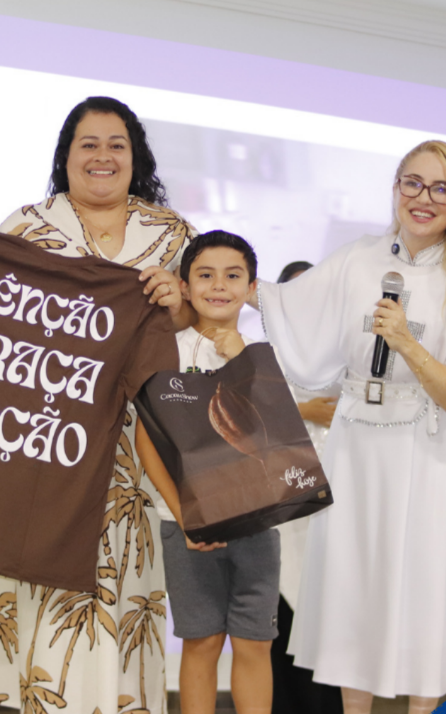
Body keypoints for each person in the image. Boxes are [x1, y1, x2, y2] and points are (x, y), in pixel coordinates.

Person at [0, 96, 194, 714]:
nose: (102, 156)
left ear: (136, 157)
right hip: (39, 450)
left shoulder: (172, 235)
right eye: (88, 144)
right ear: (66, 156)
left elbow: (207, 319)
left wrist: (179, 305)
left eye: (116, 144)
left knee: (120, 598)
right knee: (39, 600)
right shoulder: (26, 228)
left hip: (130, 460)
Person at [253, 140, 446, 714]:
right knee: (355, 587)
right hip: (356, 446)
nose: (424, 198)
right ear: (395, 187)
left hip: (429, 450)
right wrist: (211, 281)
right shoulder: (358, 259)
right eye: (412, 183)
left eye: (441, 188)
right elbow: (286, 305)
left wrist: (406, 342)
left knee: (427, 586)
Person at [134, 229, 280, 714]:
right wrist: (185, 515)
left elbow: (277, 438)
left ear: (251, 287)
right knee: (201, 641)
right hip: (185, 524)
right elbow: (147, 441)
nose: (219, 286)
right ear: (184, 284)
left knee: (255, 642)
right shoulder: (166, 352)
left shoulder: (262, 354)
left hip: (256, 524)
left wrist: (242, 361)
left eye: (233, 276)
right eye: (205, 275)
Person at [270, 261, 343, 714]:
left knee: (329, 616)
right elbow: (243, 418)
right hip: (281, 500)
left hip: (335, 499)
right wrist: (303, 412)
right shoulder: (262, 352)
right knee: (282, 616)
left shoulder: (347, 352)